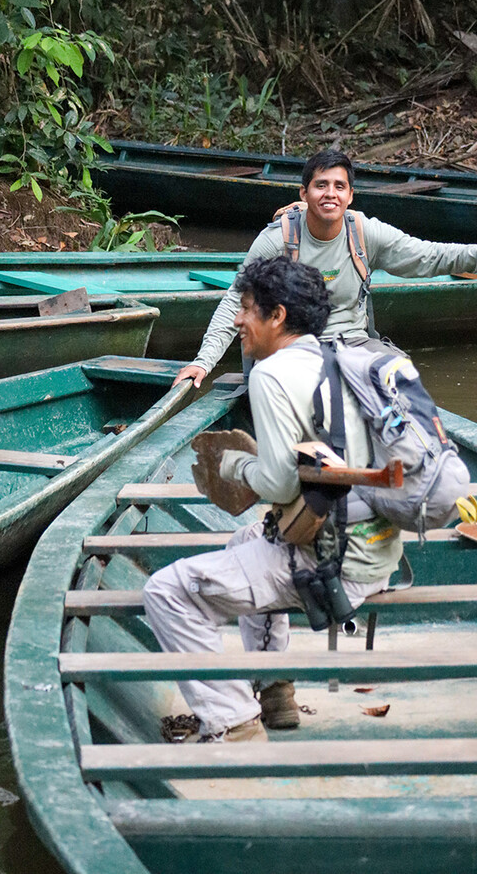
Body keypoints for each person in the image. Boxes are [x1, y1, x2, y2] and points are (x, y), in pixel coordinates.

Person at [144, 257, 407, 743]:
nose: (238, 320)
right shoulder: (338, 361)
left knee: (165, 591)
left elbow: (282, 485)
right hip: (381, 553)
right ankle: (274, 694)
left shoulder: (270, 374)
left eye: (245, 309)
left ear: (277, 316)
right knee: (249, 537)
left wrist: (235, 466)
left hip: (335, 565)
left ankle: (233, 723)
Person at [173, 149, 477, 388]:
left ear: (350, 195)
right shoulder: (277, 240)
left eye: (339, 186)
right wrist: (203, 362)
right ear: (304, 193)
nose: (330, 194)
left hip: (353, 343)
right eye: (321, 185)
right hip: (292, 348)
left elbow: (428, 256)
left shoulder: (363, 232)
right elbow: (236, 301)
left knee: (399, 376)